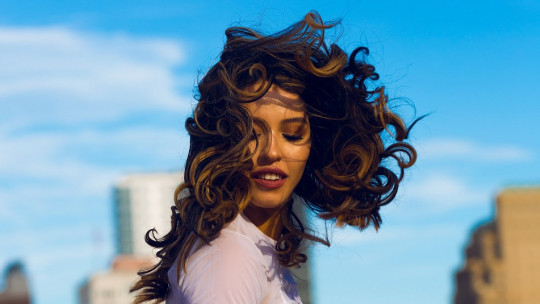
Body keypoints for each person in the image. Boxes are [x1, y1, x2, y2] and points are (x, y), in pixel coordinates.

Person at [131, 11, 417, 304]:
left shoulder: (254, 253)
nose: (271, 151)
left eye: (292, 134)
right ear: (224, 142)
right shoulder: (231, 259)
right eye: (252, 134)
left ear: (313, 147)